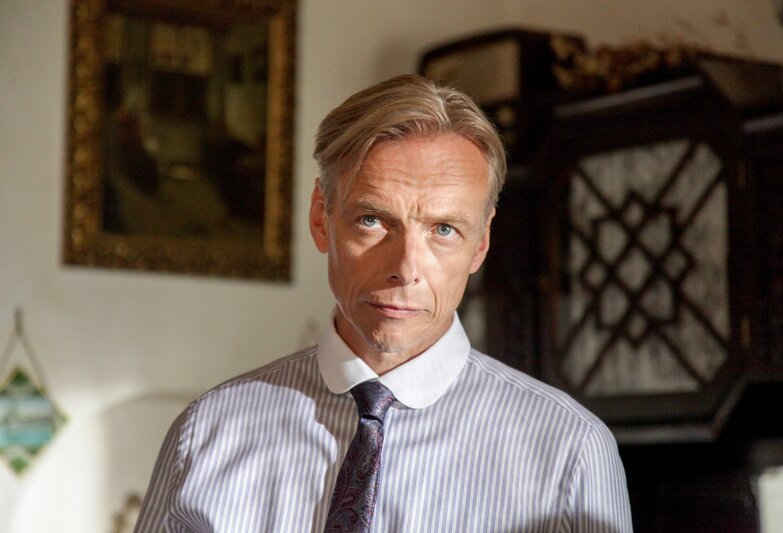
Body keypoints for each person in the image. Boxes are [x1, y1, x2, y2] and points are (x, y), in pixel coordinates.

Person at [134, 74, 632, 532]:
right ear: (321, 218)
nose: (406, 267)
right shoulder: (206, 434)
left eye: (443, 230)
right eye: (372, 221)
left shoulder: (570, 454)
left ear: (480, 243)